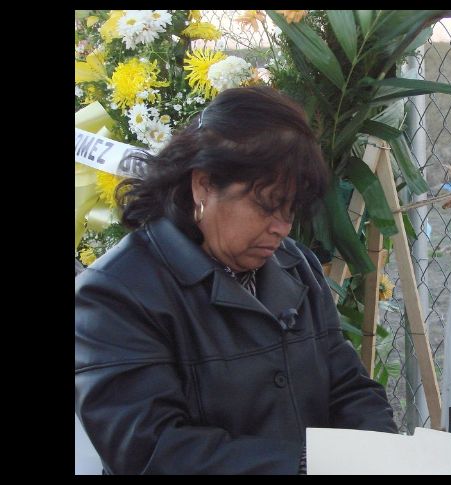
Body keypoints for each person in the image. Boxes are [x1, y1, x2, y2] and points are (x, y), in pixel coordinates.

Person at [75, 86, 397, 474]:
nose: (281, 228)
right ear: (204, 184)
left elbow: (349, 388)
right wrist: (306, 466)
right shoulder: (117, 293)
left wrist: (380, 455)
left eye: (291, 209)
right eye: (266, 205)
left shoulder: (296, 266)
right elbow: (151, 451)